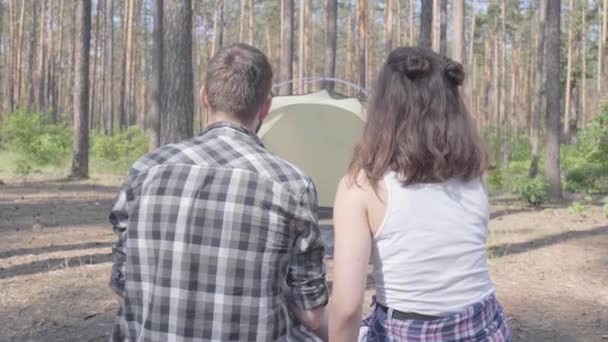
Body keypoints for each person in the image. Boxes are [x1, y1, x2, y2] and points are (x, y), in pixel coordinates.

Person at [109, 44, 329, 341]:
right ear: (265, 107)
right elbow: (312, 315)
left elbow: (122, 290)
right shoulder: (292, 185)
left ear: (204, 97)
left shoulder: (145, 170)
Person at [328, 47, 511, 341]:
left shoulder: (362, 186)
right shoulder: (472, 174)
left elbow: (347, 309)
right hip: (485, 327)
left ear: (385, 109)